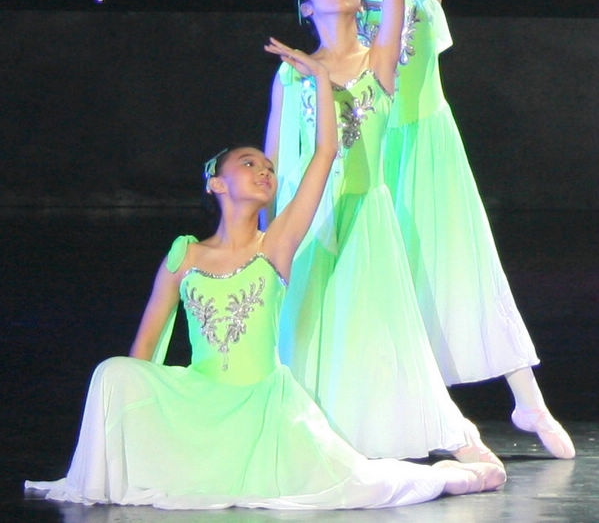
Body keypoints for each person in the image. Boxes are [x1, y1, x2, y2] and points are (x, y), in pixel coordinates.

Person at [24, 40, 505, 510]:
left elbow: (324, 154)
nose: (264, 171)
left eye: (269, 167)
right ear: (216, 184)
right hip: (204, 398)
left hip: (262, 407)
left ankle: (456, 477)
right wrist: (142, 417)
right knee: (113, 373)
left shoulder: (275, 243)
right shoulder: (185, 255)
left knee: (362, 485)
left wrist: (321, 79)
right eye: (248, 164)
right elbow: (145, 351)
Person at [328, 0, 574, 460]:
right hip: (374, 148)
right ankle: (431, 417)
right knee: (393, 277)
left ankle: (527, 400)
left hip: (430, 138)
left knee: (465, 262)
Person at [265, 0, 503, 466]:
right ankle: (315, 429)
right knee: (309, 326)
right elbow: (273, 164)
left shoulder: (379, 62)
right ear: (304, 4)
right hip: (307, 219)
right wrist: (265, 239)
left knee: (377, 321)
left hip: (367, 208)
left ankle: (428, 427)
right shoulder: (291, 74)